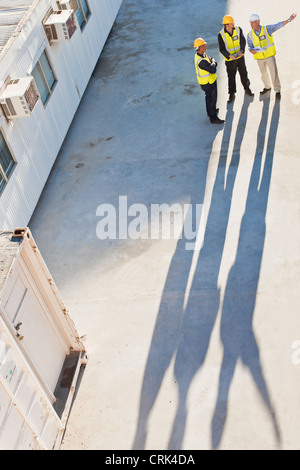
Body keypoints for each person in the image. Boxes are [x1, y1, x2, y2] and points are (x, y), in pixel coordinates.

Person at [247, 12, 297, 100]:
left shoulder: (267, 29)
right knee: (264, 74)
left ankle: (277, 90)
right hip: (259, 58)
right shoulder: (249, 35)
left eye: (253, 22)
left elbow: (278, 25)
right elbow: (250, 47)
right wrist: (252, 51)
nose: (251, 24)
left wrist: (289, 20)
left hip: (269, 56)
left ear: (258, 22)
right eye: (250, 23)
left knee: (274, 73)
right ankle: (267, 87)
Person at [218, 15, 254, 103]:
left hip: (240, 57)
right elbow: (222, 49)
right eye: (231, 23)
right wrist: (229, 55)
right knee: (231, 77)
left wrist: (241, 50)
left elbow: (242, 41)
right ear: (226, 25)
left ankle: (247, 88)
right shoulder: (221, 35)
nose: (233, 23)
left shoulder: (238, 29)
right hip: (230, 61)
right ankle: (231, 94)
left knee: (244, 73)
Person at [194, 37, 224, 124]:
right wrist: (213, 63)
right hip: (208, 83)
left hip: (208, 82)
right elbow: (213, 69)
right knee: (212, 99)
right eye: (204, 45)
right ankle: (213, 118)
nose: (206, 45)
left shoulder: (202, 55)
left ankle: (211, 111)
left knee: (209, 98)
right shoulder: (202, 62)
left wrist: (213, 62)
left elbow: (212, 60)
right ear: (199, 48)